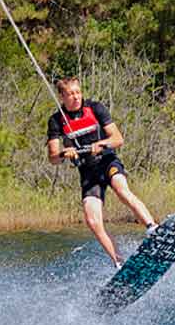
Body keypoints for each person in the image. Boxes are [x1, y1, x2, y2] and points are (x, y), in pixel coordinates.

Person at [46, 77, 157, 268]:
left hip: (107, 161)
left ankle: (152, 228)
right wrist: (65, 153)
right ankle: (120, 263)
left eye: (78, 92)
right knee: (92, 220)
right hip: (88, 173)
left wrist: (101, 144)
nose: (76, 97)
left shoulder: (95, 108)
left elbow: (118, 139)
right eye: (71, 94)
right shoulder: (56, 120)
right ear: (62, 96)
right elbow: (53, 157)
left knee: (122, 189)